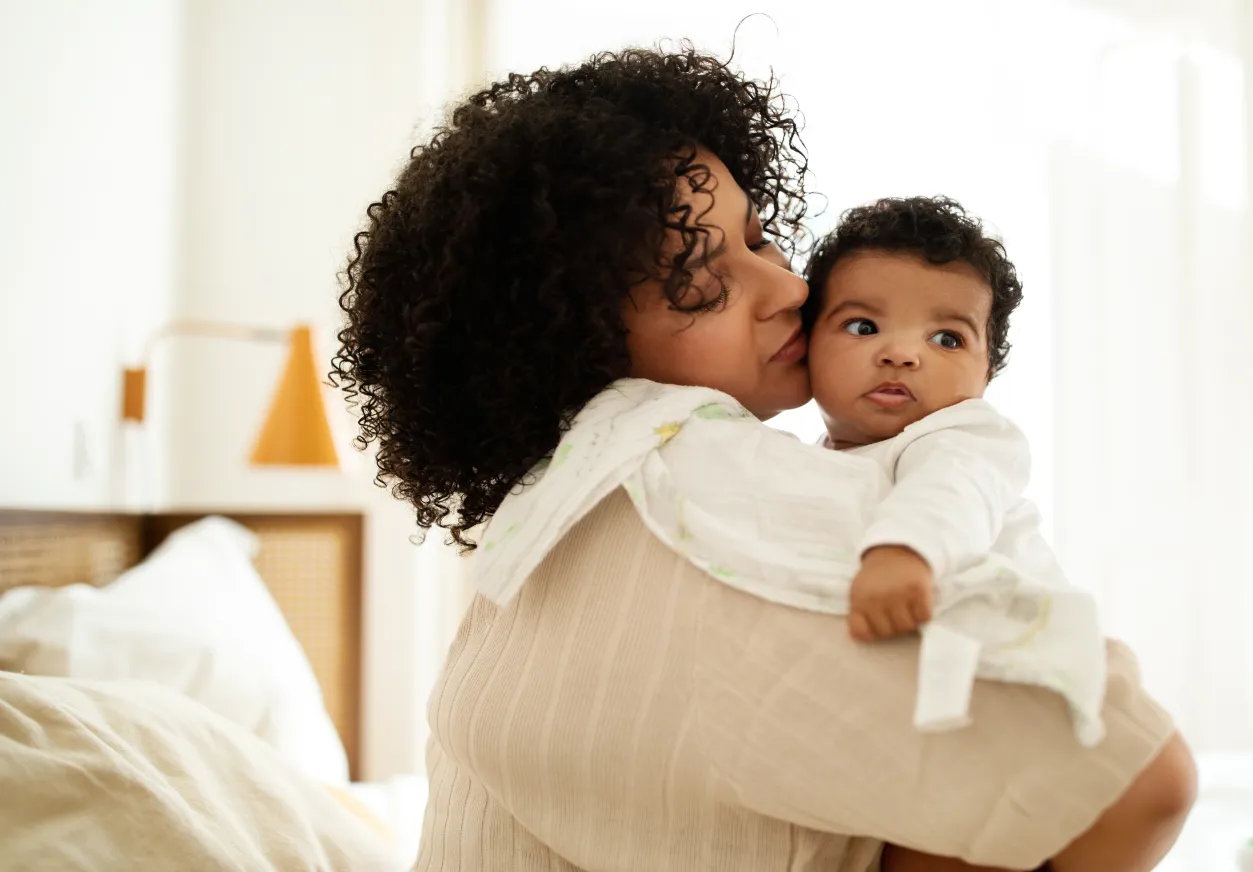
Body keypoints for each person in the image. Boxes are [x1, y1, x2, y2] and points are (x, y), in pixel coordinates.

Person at [332, 45, 1195, 872]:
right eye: (705, 287)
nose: (789, 289)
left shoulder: (556, 513)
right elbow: (1138, 777)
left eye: (761, 239)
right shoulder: (695, 491)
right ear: (575, 347)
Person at [801, 196, 1104, 872]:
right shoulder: (816, 464)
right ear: (805, 346)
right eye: (861, 325)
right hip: (925, 720)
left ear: (985, 374)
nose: (902, 354)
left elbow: (952, 494)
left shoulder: (963, 436)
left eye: (947, 339)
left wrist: (904, 552)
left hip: (1012, 692)